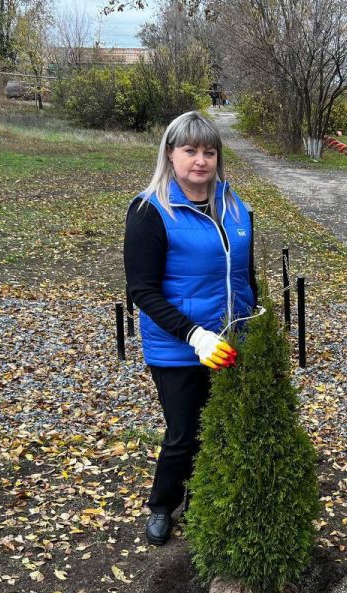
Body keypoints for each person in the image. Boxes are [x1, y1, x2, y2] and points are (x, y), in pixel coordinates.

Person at [124, 110, 257, 546]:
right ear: (170, 153)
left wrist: (254, 330)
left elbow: (245, 277)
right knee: (184, 432)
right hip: (178, 347)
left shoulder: (236, 207)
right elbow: (143, 291)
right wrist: (194, 335)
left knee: (223, 426)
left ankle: (203, 501)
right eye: (190, 150)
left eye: (209, 151)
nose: (200, 160)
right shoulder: (150, 211)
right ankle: (163, 505)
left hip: (230, 342)